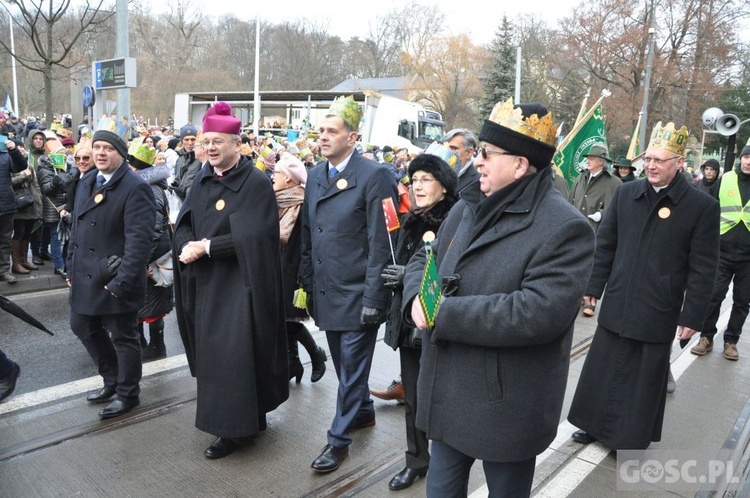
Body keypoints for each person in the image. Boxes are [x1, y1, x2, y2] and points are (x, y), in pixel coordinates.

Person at [400, 98, 594, 497]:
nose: (477, 161)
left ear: (521, 165)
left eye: (487, 154)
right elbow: (426, 257)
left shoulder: (565, 228)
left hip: (504, 403)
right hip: (448, 390)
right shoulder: (469, 205)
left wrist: (441, 312)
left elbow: (536, 312)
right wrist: (415, 299)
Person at [568, 121, 720, 450]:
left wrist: (693, 316)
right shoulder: (626, 194)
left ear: (679, 163)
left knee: (640, 379)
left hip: (658, 306)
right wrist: (593, 285)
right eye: (648, 159)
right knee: (604, 367)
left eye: (659, 160)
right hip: (620, 299)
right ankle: (591, 425)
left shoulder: (700, 206)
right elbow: (605, 245)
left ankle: (626, 437)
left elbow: (704, 268)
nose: (650, 165)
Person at [173, 102, 288, 460]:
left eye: (218, 141)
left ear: (237, 144)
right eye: (206, 141)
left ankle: (233, 431)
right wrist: (185, 244)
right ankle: (247, 420)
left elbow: (257, 236)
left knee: (234, 357)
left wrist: (207, 247)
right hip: (204, 285)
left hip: (240, 286)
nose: (210, 147)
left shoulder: (254, 182)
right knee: (213, 358)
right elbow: (185, 222)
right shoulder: (202, 177)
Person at [299, 95, 397, 473]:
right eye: (320, 130)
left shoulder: (376, 177)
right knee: (345, 366)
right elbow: (308, 234)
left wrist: (376, 297)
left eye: (331, 131)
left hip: (359, 293)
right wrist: (305, 282)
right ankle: (364, 412)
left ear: (352, 138)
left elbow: (382, 242)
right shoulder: (315, 175)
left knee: (352, 369)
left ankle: (338, 440)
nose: (322, 137)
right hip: (327, 291)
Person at [379, 148, 458, 491]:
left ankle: (445, 462)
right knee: (412, 396)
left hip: (441, 324)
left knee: (438, 397)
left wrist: (410, 277)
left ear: (443, 186)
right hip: (409, 323)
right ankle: (416, 460)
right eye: (414, 180)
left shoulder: (455, 219)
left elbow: (455, 273)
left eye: (427, 179)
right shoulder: (409, 219)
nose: (419, 186)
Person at [67, 130, 156, 420]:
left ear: (121, 153)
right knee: (82, 325)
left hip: (114, 278)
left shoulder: (134, 187)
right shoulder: (87, 180)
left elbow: (140, 242)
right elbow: (77, 231)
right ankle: (112, 380)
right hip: (84, 275)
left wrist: (124, 281)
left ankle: (128, 394)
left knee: (123, 336)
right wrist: (71, 266)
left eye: (107, 148)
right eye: (97, 148)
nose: (101, 153)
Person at [690, 146, 750, 361]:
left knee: (742, 301)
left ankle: (731, 341)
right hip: (722, 252)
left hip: (748, 257)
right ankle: (706, 337)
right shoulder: (725, 179)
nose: (748, 161)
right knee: (714, 296)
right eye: (745, 156)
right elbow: (710, 209)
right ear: (741, 158)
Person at [272, 152, 327, 384]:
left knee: (286, 319)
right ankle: (293, 363)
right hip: (275, 267)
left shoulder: (302, 203)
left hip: (292, 270)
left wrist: (300, 275)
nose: (273, 176)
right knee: (284, 320)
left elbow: (305, 242)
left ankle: (316, 354)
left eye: (277, 173)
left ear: (288, 178)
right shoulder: (276, 201)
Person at [128, 143, 173, 361]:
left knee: (153, 305)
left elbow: (153, 229)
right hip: (146, 254)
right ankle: (142, 343)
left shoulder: (149, 188)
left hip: (152, 256)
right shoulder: (145, 185)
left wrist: (143, 259)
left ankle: (157, 347)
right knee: (141, 303)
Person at [569, 143, 622, 317]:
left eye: (591, 159)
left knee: (593, 264)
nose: (588, 161)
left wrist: (602, 214)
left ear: (601, 162)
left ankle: (590, 300)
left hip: (598, 230)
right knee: (574, 262)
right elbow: (571, 199)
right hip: (577, 228)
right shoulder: (581, 177)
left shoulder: (613, 182)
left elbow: (617, 206)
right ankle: (576, 296)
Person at [0, 137, 29, 283]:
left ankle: (4, 271)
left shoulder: (5, 154)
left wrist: (14, 150)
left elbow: (21, 166)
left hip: (6, 205)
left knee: (5, 241)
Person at [442, 128, 480, 196]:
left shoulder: (477, 183)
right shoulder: (437, 172)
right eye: (446, 147)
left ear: (468, 153)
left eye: (454, 148)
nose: (448, 152)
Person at [170, 124, 200, 201]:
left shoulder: (201, 158)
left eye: (193, 139)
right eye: (186, 140)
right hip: (182, 201)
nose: (190, 143)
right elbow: (177, 179)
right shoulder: (179, 159)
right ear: (182, 141)